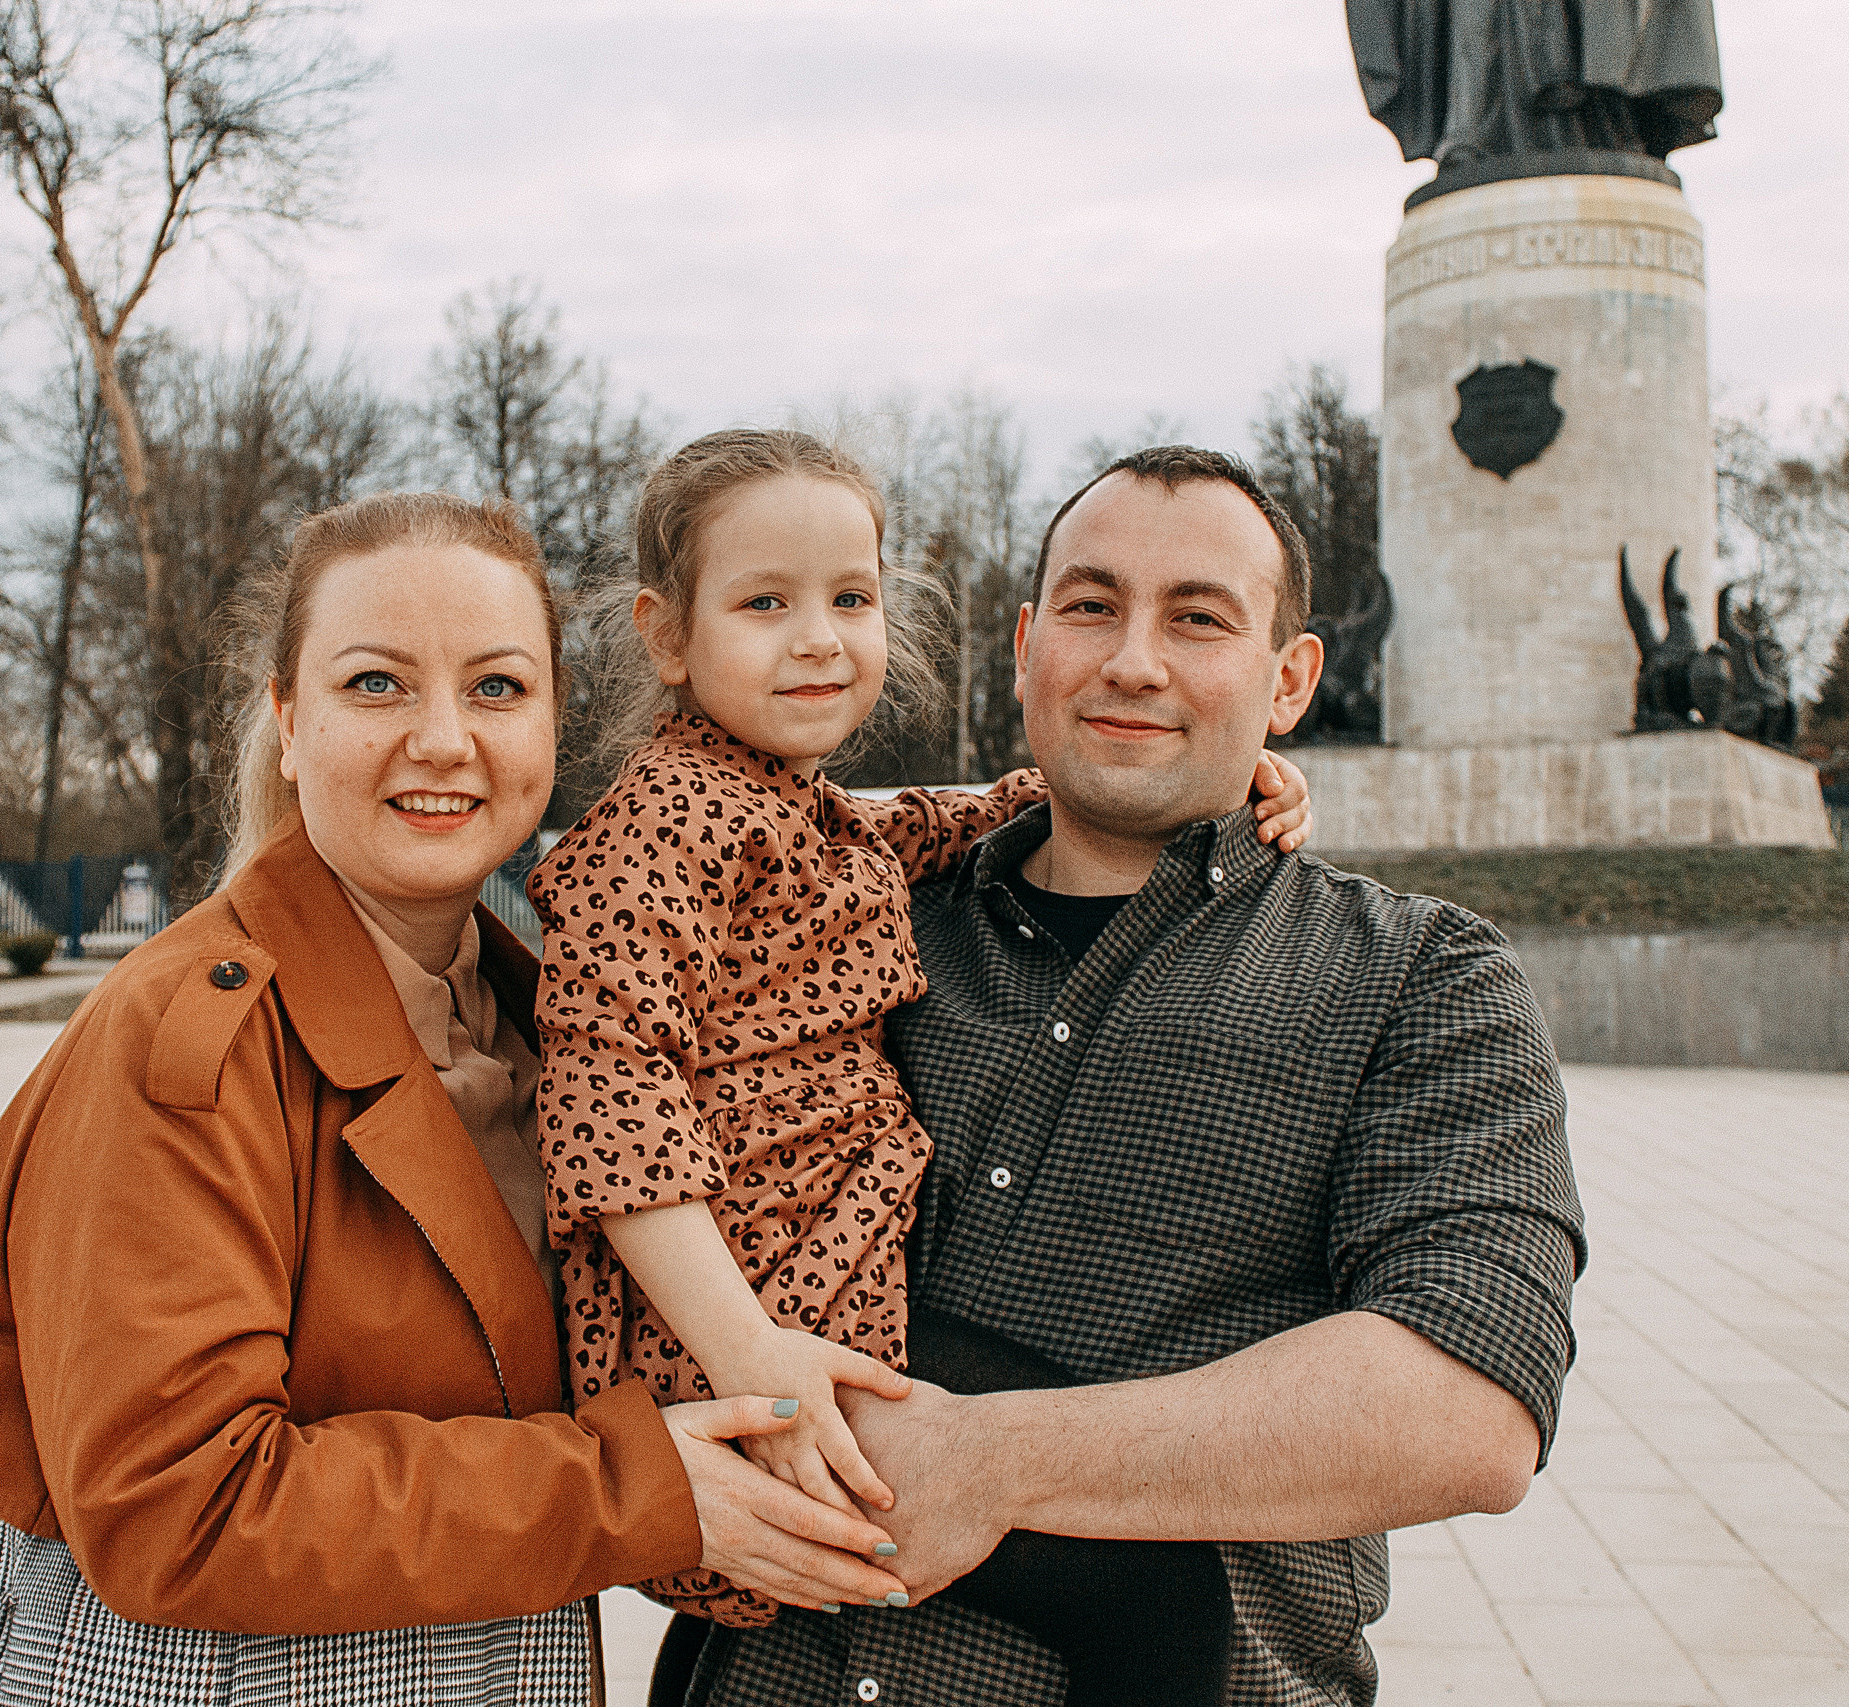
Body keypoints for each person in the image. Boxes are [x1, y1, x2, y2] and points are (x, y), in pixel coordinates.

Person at [0, 492, 916, 1707]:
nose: (442, 740)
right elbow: (178, 1510)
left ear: (553, 725)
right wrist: (636, 1493)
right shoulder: (186, 1043)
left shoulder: (549, 1021)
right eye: (376, 685)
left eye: (495, 688)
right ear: (286, 721)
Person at [674, 447, 1588, 1706]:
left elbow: (1465, 1407)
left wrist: (985, 1460)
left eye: (1198, 619)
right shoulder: (833, 918)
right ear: (1025, 642)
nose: (1132, 661)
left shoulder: (1420, 977)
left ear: (1290, 680)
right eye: (1092, 606)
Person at [524, 431, 1312, 1686]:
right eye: (764, 603)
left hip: (817, 1295)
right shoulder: (658, 830)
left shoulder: (795, 808)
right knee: (1157, 1600)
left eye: (852, 599)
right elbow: (609, 1098)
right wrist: (750, 1356)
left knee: (1083, 1580)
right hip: (778, 1321)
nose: (819, 638)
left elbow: (945, 818)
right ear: (668, 637)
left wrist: (1222, 765)